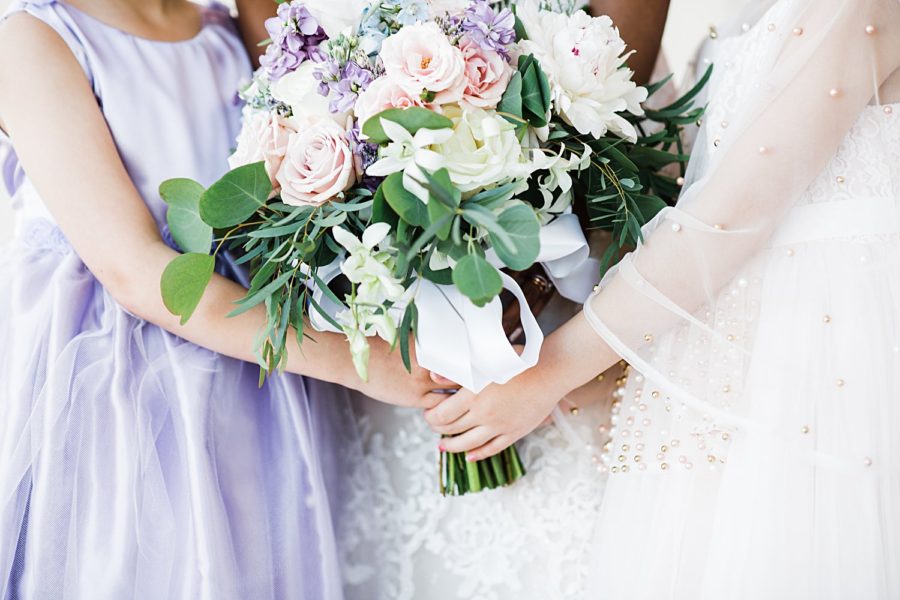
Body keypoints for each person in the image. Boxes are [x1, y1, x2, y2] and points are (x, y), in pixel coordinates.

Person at [428, 0, 900, 598]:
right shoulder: (740, 20)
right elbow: (665, 197)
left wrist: (551, 373)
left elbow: (730, 218)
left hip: (823, 371)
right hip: (724, 371)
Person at [0, 1, 445, 598]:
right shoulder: (33, 40)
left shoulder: (222, 25)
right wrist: (354, 360)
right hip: (129, 394)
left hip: (256, 372)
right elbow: (133, 271)